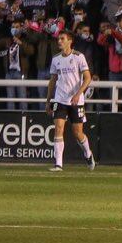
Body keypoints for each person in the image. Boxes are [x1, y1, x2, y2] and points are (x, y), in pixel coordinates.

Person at [45, 30, 96, 171]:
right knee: (58, 128)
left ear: (70, 41)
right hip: (59, 99)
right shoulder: (56, 59)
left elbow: (87, 78)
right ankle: (58, 164)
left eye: (62, 39)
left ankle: (88, 153)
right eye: (58, 39)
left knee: (78, 133)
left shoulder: (79, 57)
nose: (59, 41)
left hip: (76, 101)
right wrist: (48, 100)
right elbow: (52, 81)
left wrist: (78, 94)